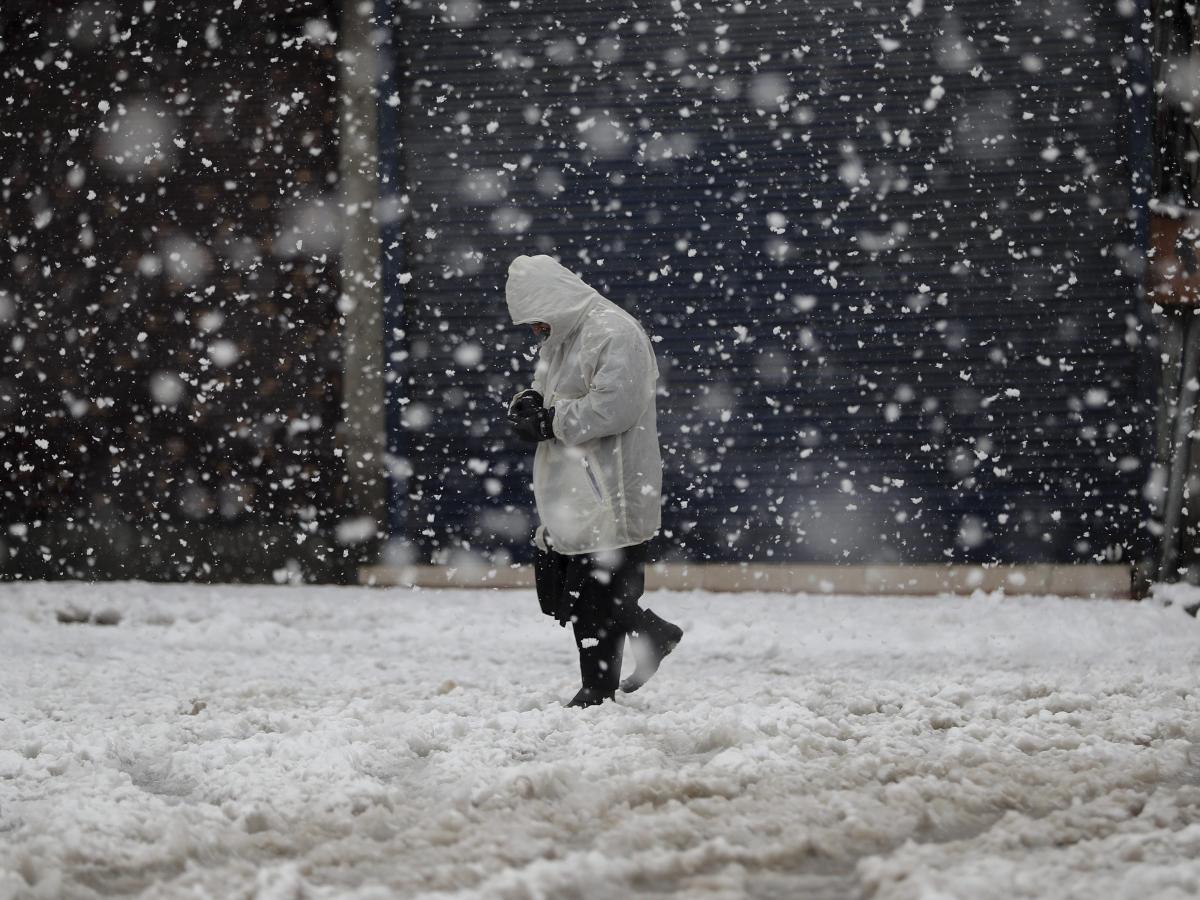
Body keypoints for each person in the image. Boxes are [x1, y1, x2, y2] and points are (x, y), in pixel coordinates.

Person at [504, 254, 683, 708]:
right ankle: (650, 635)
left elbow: (614, 407)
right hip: (576, 489)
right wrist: (529, 401)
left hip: (612, 488)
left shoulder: (613, 332)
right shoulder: (562, 337)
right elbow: (551, 390)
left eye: (538, 319)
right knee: (574, 590)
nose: (535, 330)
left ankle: (598, 689)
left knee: (595, 594)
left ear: (556, 300)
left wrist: (550, 421)